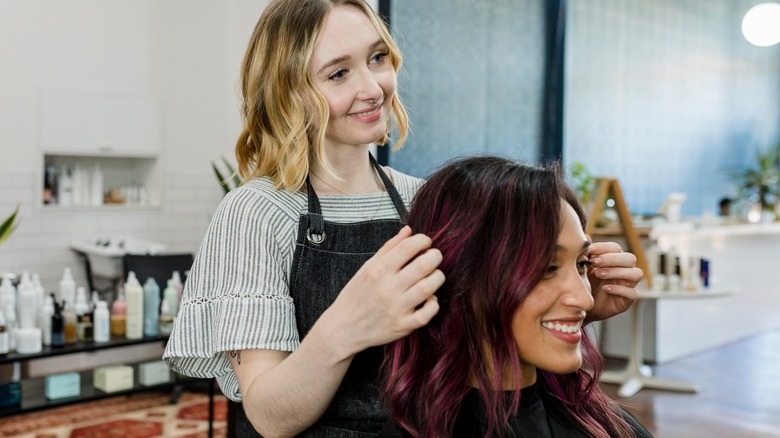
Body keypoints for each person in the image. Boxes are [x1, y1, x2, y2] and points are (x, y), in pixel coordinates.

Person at [163, 1, 643, 436]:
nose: (373, 88)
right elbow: (268, 416)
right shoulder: (257, 213)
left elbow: (477, 340)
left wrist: (571, 302)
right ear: (288, 90)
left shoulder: (423, 199)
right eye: (338, 74)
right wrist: (346, 326)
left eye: (377, 58)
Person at [382, 156, 652, 438]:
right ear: (462, 275)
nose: (586, 300)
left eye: (582, 263)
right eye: (547, 267)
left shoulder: (608, 426)